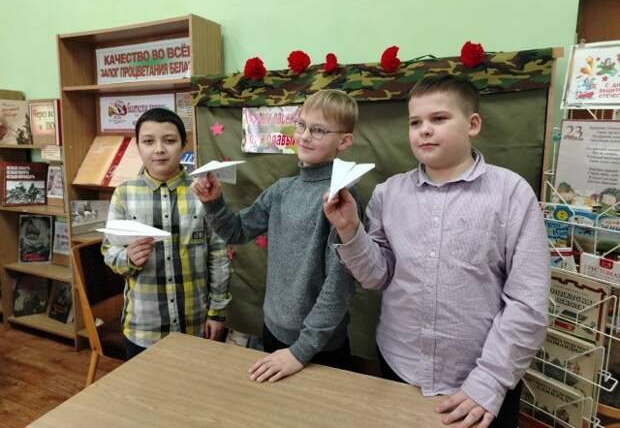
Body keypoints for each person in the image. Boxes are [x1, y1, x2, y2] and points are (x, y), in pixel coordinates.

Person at [323, 75, 549, 428]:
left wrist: (489, 381)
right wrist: (350, 230)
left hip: (480, 382)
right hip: (400, 366)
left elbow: (527, 301)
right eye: (415, 122)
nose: (424, 130)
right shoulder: (388, 193)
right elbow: (376, 277)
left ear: (473, 124)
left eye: (439, 118)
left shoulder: (511, 193)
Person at [191, 89, 359, 383]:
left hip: (317, 346)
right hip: (273, 330)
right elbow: (236, 231)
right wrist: (214, 202)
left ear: (343, 141)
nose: (304, 136)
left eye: (318, 130)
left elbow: (339, 285)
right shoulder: (282, 190)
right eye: (301, 125)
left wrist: (300, 351)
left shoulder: (340, 197)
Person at [102, 108, 231, 359]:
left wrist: (217, 313)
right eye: (148, 141)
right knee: (144, 385)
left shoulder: (202, 191)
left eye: (169, 140)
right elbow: (109, 251)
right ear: (138, 146)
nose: (159, 149)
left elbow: (218, 255)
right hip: (143, 327)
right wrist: (128, 258)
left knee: (193, 382)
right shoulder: (124, 194)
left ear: (184, 144)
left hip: (195, 323)